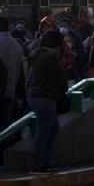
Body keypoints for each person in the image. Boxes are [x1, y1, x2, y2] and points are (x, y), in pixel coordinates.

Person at [0, 16, 26, 166]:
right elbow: (20, 70)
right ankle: (2, 155)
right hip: (11, 90)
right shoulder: (17, 45)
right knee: (5, 125)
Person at [27, 30, 67, 174]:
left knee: (52, 128)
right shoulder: (50, 58)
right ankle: (39, 163)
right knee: (45, 131)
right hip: (46, 97)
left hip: (34, 96)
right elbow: (60, 79)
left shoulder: (35, 55)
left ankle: (43, 161)